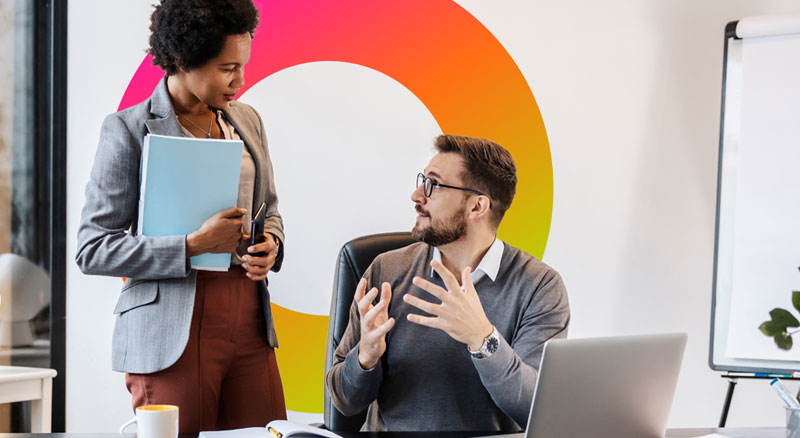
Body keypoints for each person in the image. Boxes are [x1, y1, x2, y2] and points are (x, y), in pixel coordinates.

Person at [75, 0, 286, 432]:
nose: (240, 81)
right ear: (183, 60)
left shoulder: (248, 120)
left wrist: (272, 245)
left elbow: (272, 209)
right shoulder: (128, 130)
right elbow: (92, 248)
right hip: (171, 326)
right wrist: (193, 246)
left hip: (248, 317)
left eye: (242, 66)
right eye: (228, 68)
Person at [325, 134, 570, 432]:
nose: (416, 196)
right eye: (422, 180)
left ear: (477, 207)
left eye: (433, 184)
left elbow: (534, 409)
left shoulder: (540, 287)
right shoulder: (386, 270)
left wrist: (483, 339)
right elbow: (344, 401)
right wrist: (365, 358)